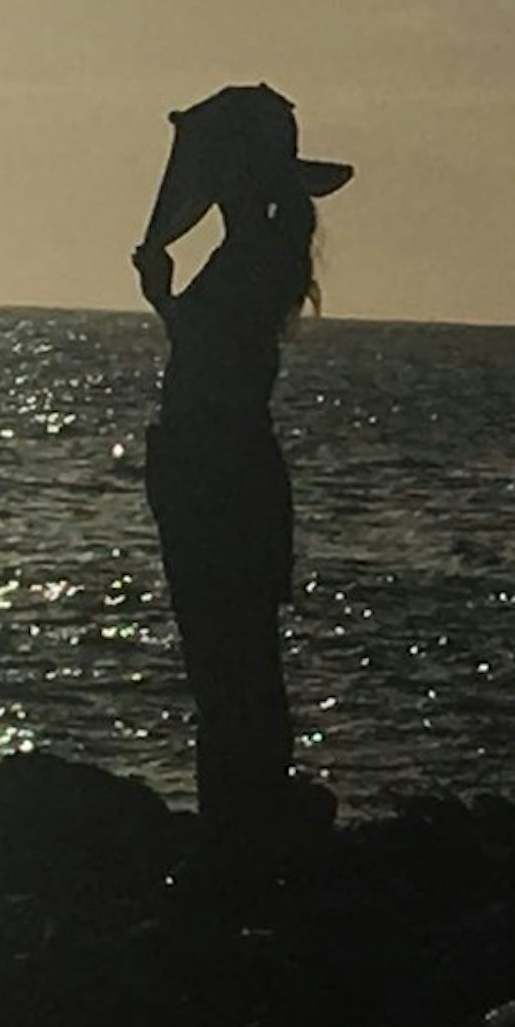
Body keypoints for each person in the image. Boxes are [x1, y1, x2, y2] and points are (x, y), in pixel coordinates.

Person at [132, 83, 350, 876]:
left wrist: (162, 297)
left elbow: (212, 358)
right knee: (238, 652)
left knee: (228, 655)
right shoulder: (261, 250)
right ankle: (244, 816)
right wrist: (165, 301)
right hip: (224, 465)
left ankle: (240, 826)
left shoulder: (252, 255)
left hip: (214, 469)